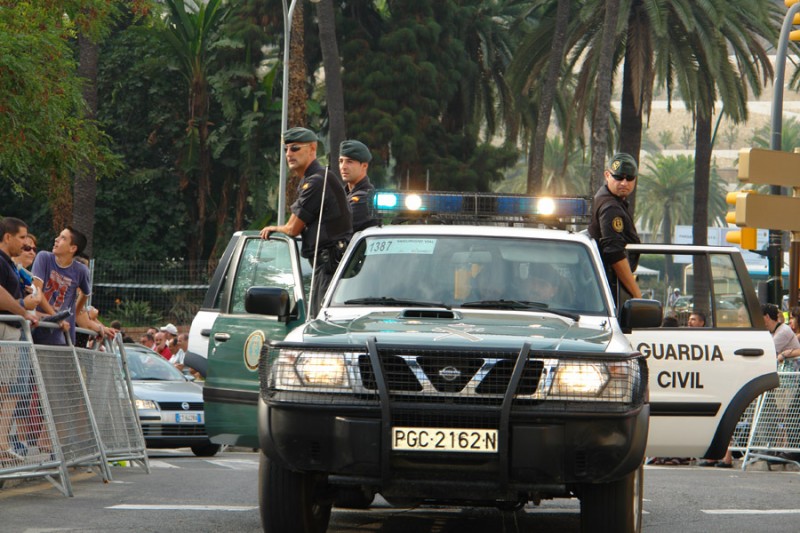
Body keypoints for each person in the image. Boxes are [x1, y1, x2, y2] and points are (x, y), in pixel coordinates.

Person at [260, 127, 353, 317]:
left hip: (329, 267)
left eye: (295, 148)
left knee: (322, 326)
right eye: (286, 149)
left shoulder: (317, 181)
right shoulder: (313, 179)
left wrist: (273, 228)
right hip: (328, 266)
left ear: (312, 148)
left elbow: (292, 228)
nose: (288, 154)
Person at [588, 153, 642, 305]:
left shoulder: (610, 199)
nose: (624, 183)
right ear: (607, 175)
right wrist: (637, 294)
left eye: (629, 178)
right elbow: (614, 253)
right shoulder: (610, 207)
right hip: (608, 287)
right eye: (619, 177)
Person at [30, 227, 92, 346]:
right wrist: (55, 317)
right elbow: (37, 291)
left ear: (72, 248)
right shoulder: (44, 257)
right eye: (58, 236)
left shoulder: (81, 270)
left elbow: (86, 294)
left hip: (62, 336)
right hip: (37, 328)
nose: (56, 239)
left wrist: (72, 314)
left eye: (63, 238)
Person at [339, 139, 379, 232]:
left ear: (364, 166)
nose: (343, 167)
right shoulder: (344, 194)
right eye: (341, 161)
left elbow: (336, 228)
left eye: (349, 162)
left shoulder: (365, 199)